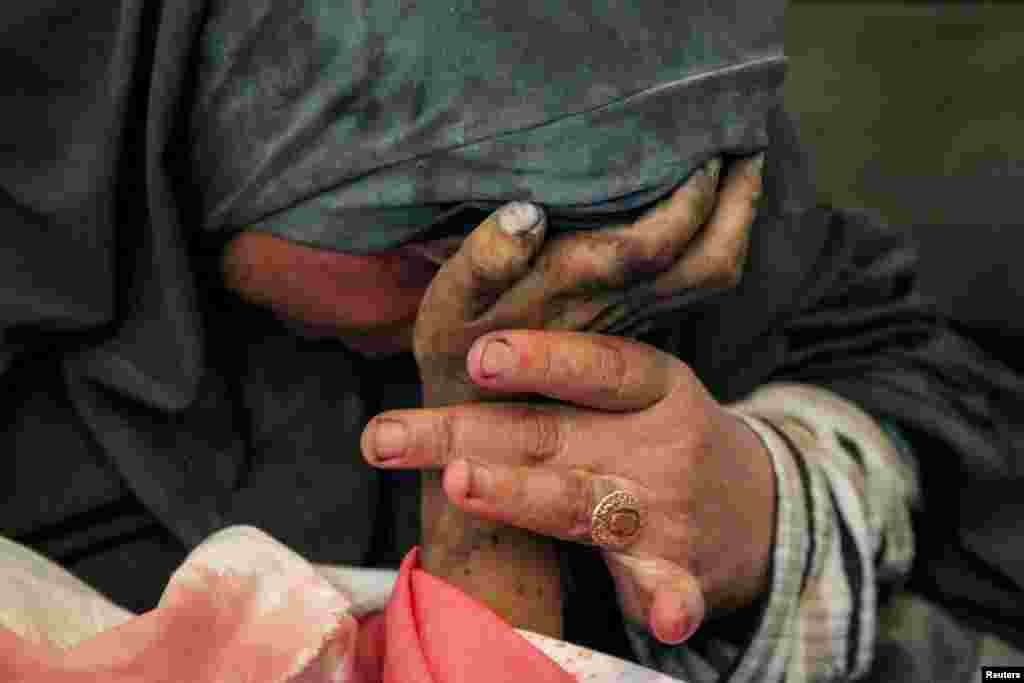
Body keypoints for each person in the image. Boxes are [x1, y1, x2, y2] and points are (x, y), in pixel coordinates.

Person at [2, 1, 1023, 681]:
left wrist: (765, 498)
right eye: (447, 240)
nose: (520, 313)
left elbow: (916, 384)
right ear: (188, 108)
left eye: (621, 253)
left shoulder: (627, 86)